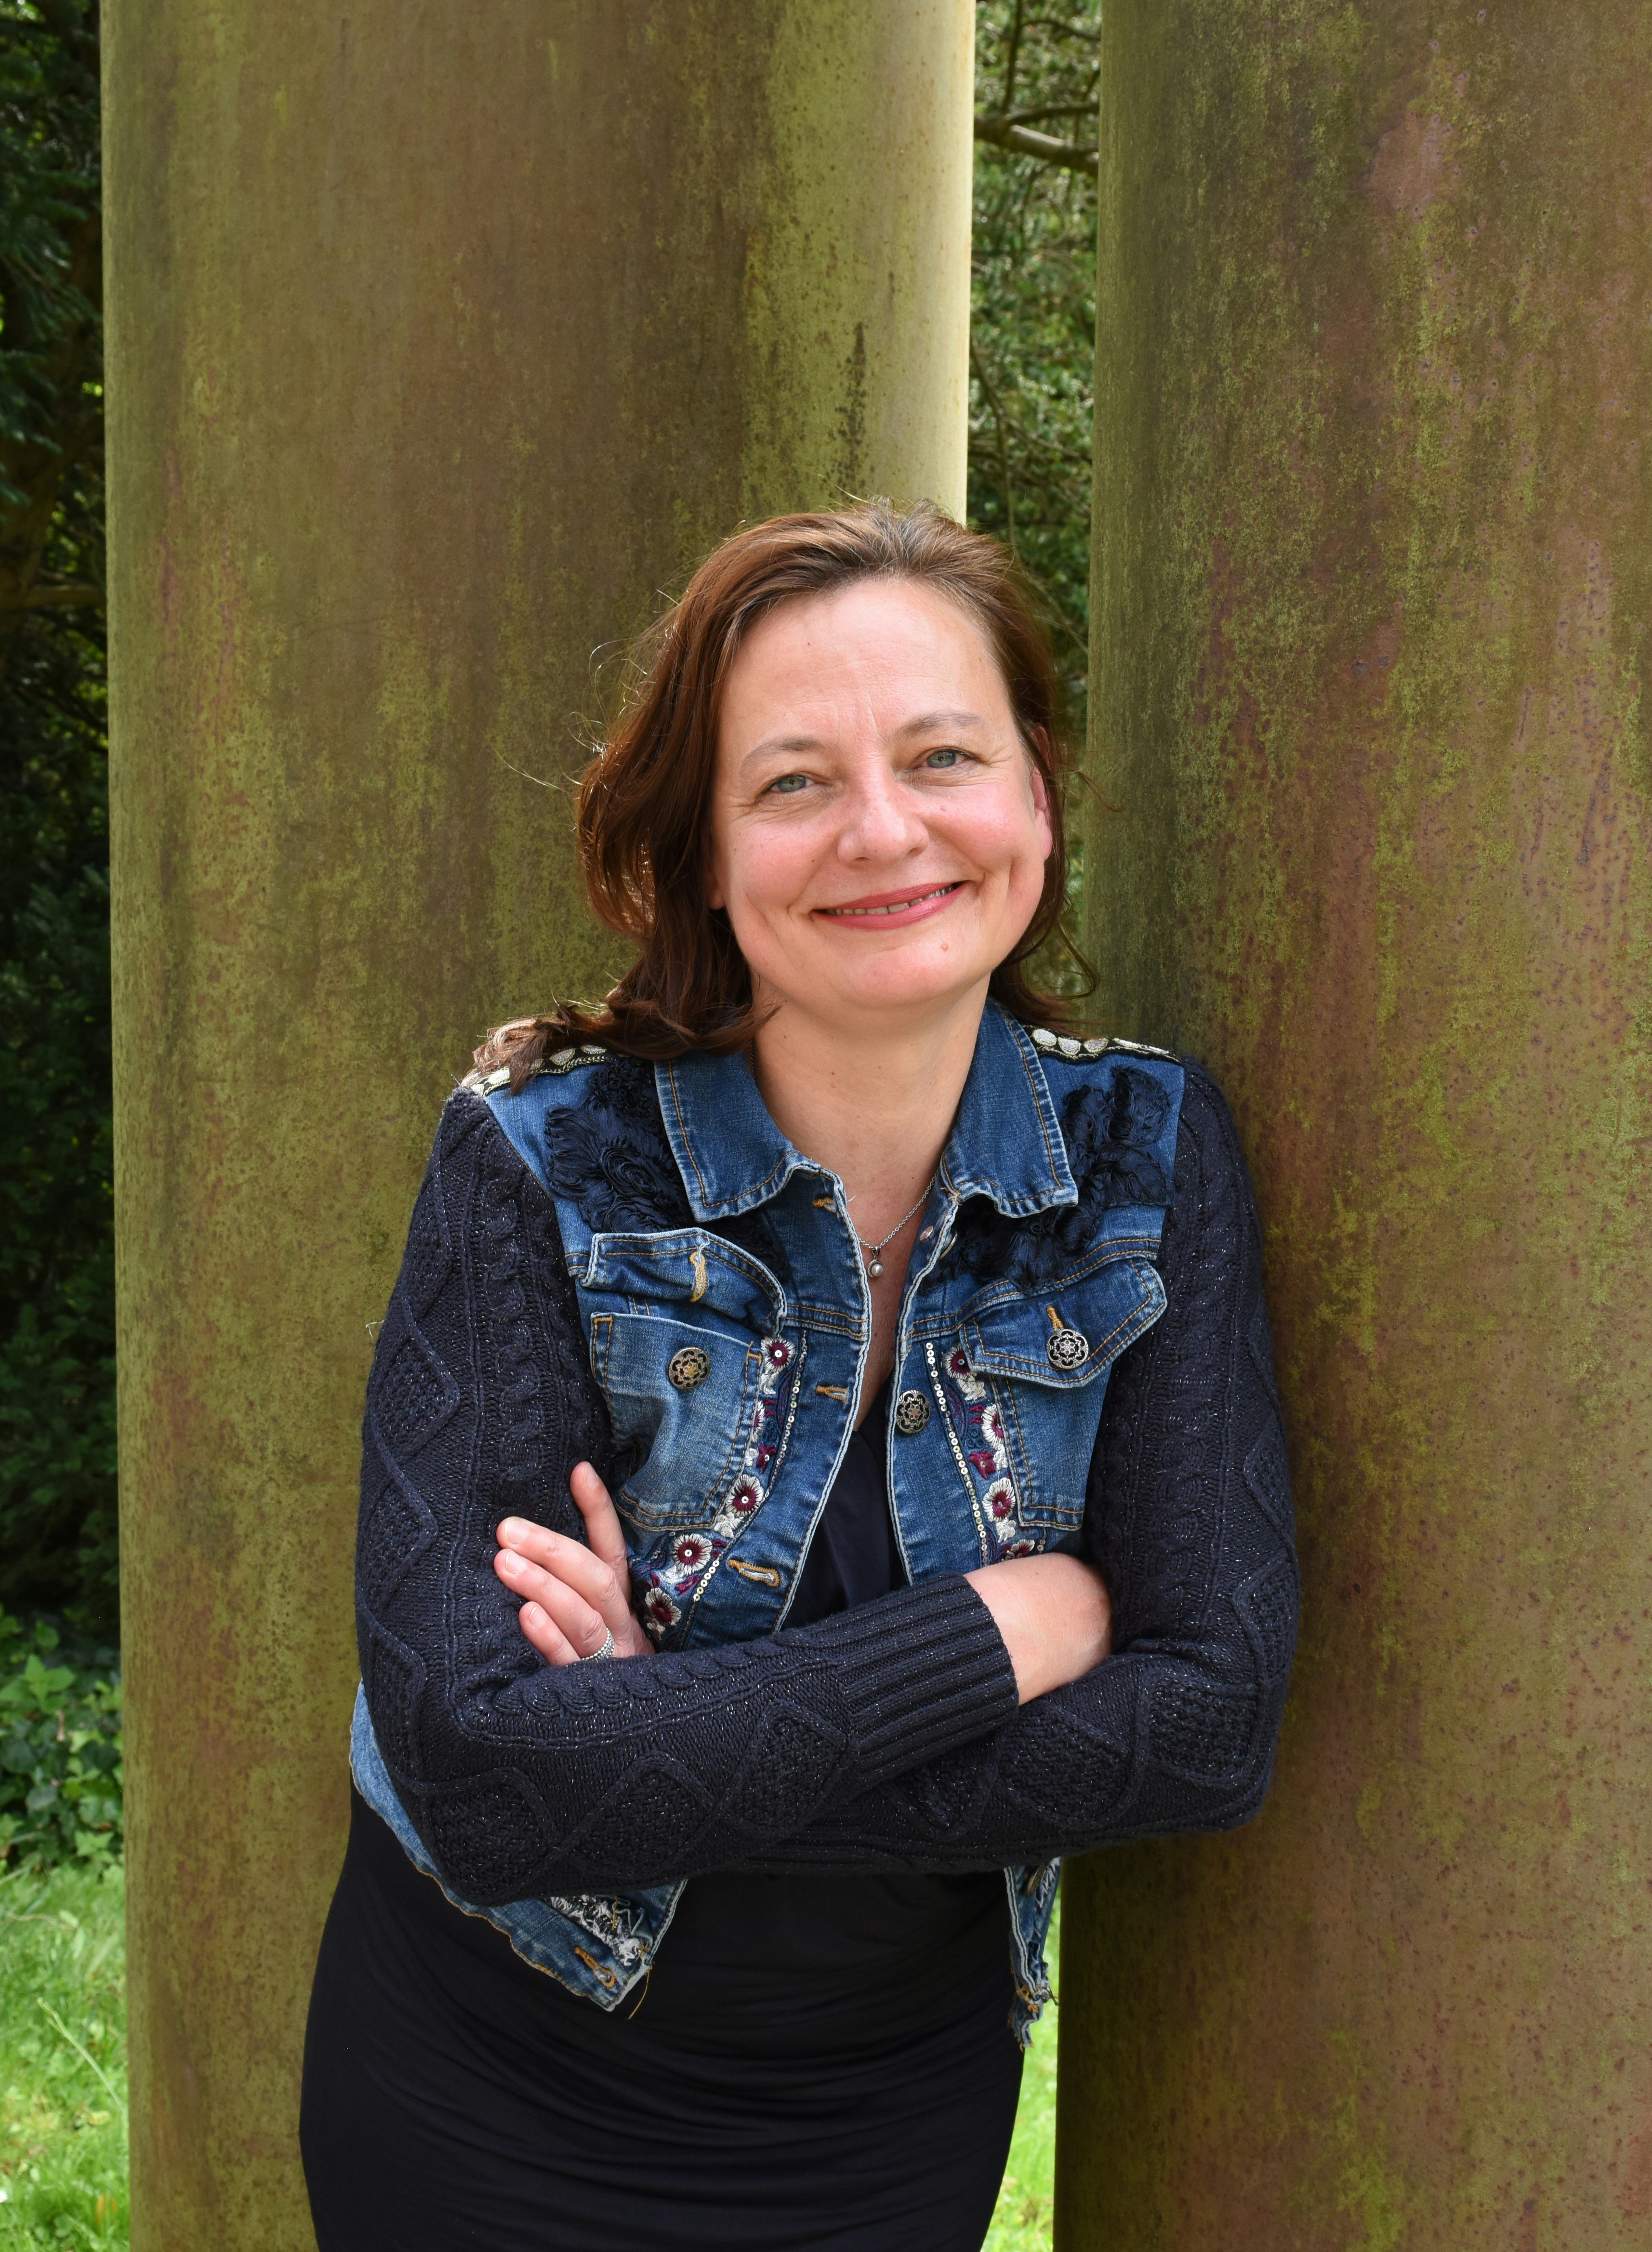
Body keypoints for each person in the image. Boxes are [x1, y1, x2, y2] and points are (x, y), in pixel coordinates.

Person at [296, 502, 1299, 2250]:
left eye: (942, 757)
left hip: (879, 2108)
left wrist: (656, 1739)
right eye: (793, 784)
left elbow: (1209, 1725)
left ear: (1037, 799)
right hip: (498, 2070)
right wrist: (1014, 1632)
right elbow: (483, 1778)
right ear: (699, 848)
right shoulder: (540, 1167)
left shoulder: (1147, 1155)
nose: (884, 832)